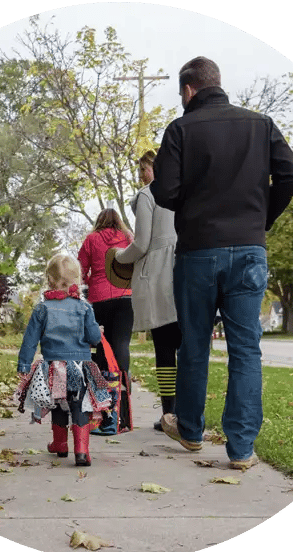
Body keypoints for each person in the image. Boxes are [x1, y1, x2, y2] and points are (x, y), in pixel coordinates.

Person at [150, 56, 293, 469]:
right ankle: (241, 450)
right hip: (249, 250)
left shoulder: (180, 129)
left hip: (198, 250)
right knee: (246, 350)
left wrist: (194, 205)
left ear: (188, 90)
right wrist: (260, 219)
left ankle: (193, 432)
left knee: (194, 344)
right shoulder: (261, 124)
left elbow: (163, 192)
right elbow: (290, 175)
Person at [13, 254, 111, 466]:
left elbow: (30, 340)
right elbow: (94, 338)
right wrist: (97, 331)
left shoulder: (42, 308)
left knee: (58, 404)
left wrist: (23, 365)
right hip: (80, 366)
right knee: (80, 405)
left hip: (54, 367)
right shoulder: (84, 307)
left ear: (49, 280)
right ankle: (82, 450)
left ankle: (60, 444)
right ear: (78, 280)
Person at [114, 150, 181, 430]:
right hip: (187, 270)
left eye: (145, 169)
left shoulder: (147, 195)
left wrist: (117, 258)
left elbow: (141, 243)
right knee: (189, 349)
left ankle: (169, 414)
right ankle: (189, 413)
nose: (141, 176)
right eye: (140, 171)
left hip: (159, 275)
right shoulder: (184, 190)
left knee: (164, 348)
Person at [78, 209, 134, 434]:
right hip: (125, 296)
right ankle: (124, 404)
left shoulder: (91, 239)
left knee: (102, 349)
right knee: (121, 346)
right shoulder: (128, 237)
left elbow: (80, 270)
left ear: (99, 221)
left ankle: (103, 409)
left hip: (99, 298)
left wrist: (93, 281)